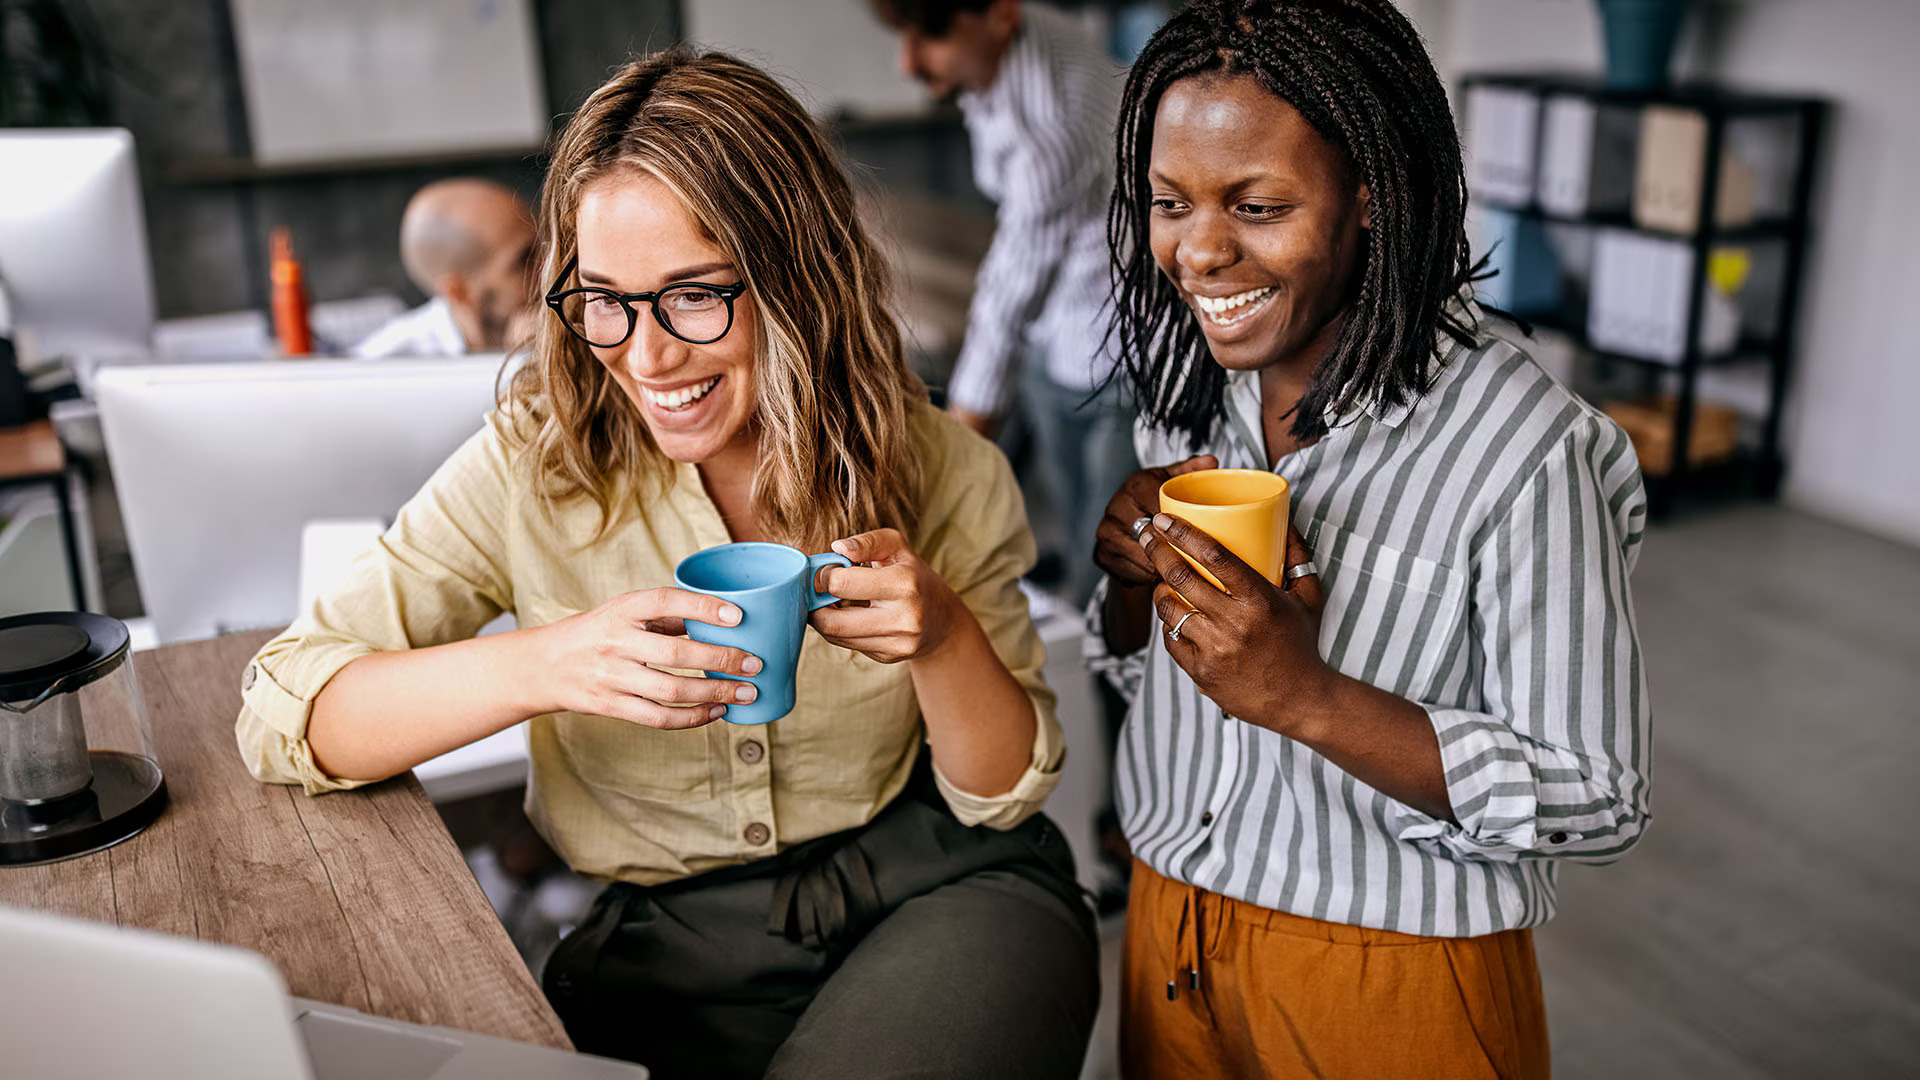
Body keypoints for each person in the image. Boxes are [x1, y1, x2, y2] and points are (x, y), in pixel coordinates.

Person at [236, 48, 1098, 1080]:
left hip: (944, 886)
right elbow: (283, 708)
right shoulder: (535, 465)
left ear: (795, 275)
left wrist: (946, 637)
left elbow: (1001, 795)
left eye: (693, 296)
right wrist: (543, 666)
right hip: (665, 946)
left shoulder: (940, 467)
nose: (646, 357)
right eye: (605, 300)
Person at [1085, 2, 1654, 1077]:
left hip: (1393, 963)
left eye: (1255, 205)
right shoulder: (1195, 381)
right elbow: (1141, 668)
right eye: (1169, 202)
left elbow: (1598, 792)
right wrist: (1125, 581)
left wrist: (1308, 697)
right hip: (1172, 927)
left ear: (1374, 201)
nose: (1199, 253)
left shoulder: (1527, 450)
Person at [870, 0, 1137, 607]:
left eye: (931, 30)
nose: (907, 61)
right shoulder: (1016, 38)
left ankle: (1108, 680)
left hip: (1119, 358)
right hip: (1055, 332)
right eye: (901, 34)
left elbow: (1007, 301)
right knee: (1075, 528)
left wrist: (947, 461)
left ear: (1001, 13)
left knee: (1113, 561)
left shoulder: (1056, 130)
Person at [352, 178, 537, 358]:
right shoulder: (383, 370)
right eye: (525, 261)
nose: (548, 268)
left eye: (548, 246)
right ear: (459, 292)